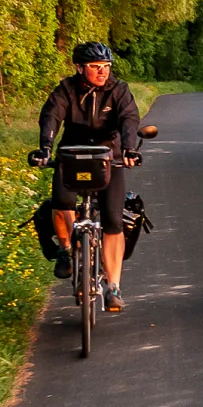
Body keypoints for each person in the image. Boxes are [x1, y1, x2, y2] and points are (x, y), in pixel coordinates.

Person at [30, 41, 141, 312]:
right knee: (62, 202)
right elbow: (51, 116)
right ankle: (66, 250)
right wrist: (46, 147)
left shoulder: (118, 90)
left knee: (114, 219)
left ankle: (113, 287)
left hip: (109, 157)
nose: (102, 72)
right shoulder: (66, 90)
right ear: (80, 68)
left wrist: (128, 149)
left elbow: (129, 118)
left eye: (105, 67)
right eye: (94, 67)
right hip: (73, 154)